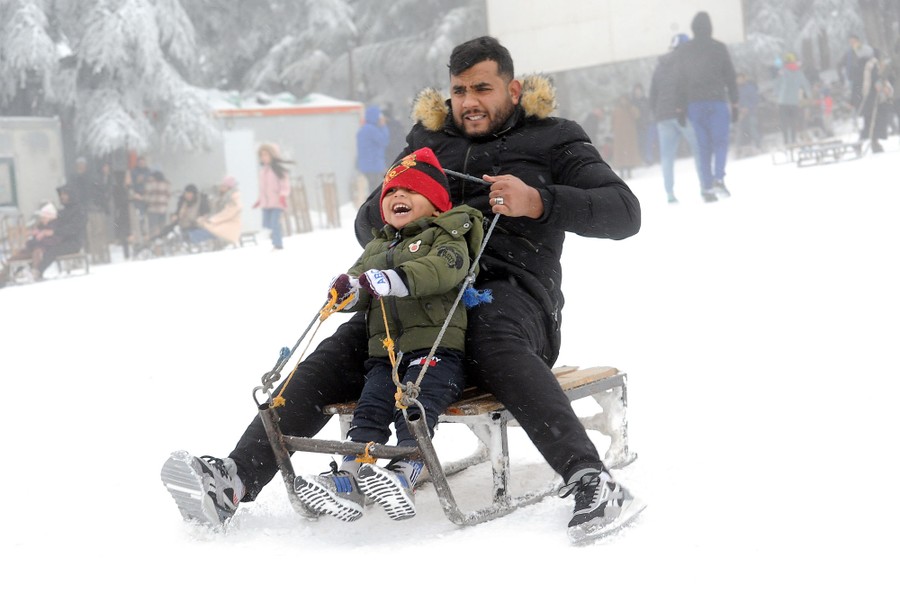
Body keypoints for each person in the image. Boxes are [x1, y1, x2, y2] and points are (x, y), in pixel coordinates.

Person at [161, 36, 643, 541]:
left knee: (491, 337)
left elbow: (624, 212)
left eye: (483, 88)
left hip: (512, 297)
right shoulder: (427, 143)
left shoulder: (554, 138)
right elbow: (368, 220)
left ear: (514, 88)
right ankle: (234, 480)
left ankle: (592, 480)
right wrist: (406, 211)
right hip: (419, 301)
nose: (470, 101)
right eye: (459, 90)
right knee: (341, 349)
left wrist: (539, 200)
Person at [292, 147, 483, 522]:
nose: (398, 197)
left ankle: (406, 470)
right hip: (386, 356)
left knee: (414, 406)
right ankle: (347, 478)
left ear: (437, 203)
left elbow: (443, 270)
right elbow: (360, 284)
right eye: (392, 192)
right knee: (370, 409)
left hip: (436, 351)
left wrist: (398, 279)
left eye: (410, 191)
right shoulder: (377, 246)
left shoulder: (448, 235)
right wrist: (347, 292)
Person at [675, 11, 739, 201]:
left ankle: (707, 187)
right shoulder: (719, 48)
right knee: (720, 142)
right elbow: (730, 77)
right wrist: (735, 103)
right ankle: (718, 178)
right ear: (710, 27)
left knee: (703, 146)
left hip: (695, 104)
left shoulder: (684, 50)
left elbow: (680, 81)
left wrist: (680, 107)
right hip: (717, 101)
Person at [649, 32, 703, 203]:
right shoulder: (687, 61)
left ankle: (670, 193)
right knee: (699, 150)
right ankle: (705, 186)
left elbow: (652, 94)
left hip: (662, 116)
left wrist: (657, 112)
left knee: (667, 157)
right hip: (683, 113)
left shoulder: (660, 66)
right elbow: (692, 87)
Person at [253, 143, 292, 250]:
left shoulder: (279, 170)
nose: (264, 157)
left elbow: (285, 186)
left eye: (266, 154)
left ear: (272, 155)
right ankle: (276, 234)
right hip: (266, 203)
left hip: (277, 202)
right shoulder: (262, 172)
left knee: (274, 222)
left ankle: (278, 244)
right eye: (262, 155)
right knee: (266, 224)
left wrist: (283, 196)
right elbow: (263, 189)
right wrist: (259, 200)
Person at [774, 53, 812, 146]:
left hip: (783, 102)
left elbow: (777, 85)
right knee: (793, 123)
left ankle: (786, 141)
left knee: (784, 123)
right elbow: (806, 85)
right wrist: (809, 96)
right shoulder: (799, 73)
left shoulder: (782, 72)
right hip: (794, 102)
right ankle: (793, 140)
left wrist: (776, 95)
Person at [197, 176, 243, 246]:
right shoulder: (220, 197)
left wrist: (212, 220)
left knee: (208, 229)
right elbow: (216, 211)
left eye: (224, 186)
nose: (221, 187)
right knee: (202, 224)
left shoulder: (234, 198)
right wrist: (207, 217)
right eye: (221, 185)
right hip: (220, 222)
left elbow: (228, 213)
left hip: (230, 224)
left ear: (229, 188)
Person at [356, 105, 390, 190]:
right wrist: (383, 126)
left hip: (366, 165)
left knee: (372, 189)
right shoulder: (372, 130)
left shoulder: (364, 129)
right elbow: (384, 141)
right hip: (374, 166)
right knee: (376, 190)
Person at [610, 93, 641, 179]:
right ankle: (621, 172)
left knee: (629, 153)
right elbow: (612, 121)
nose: (623, 101)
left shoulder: (631, 108)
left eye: (625, 99)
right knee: (620, 154)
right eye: (622, 99)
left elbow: (637, 115)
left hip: (629, 135)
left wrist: (630, 108)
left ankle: (629, 172)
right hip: (619, 135)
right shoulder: (616, 110)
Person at [735, 72, 762, 157]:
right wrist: (739, 110)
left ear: (744, 78)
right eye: (737, 79)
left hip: (751, 113)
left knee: (753, 128)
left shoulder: (750, 88)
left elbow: (755, 100)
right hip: (741, 115)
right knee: (739, 131)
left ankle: (758, 146)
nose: (739, 80)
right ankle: (739, 150)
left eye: (740, 78)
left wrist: (748, 108)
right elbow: (734, 102)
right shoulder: (736, 90)